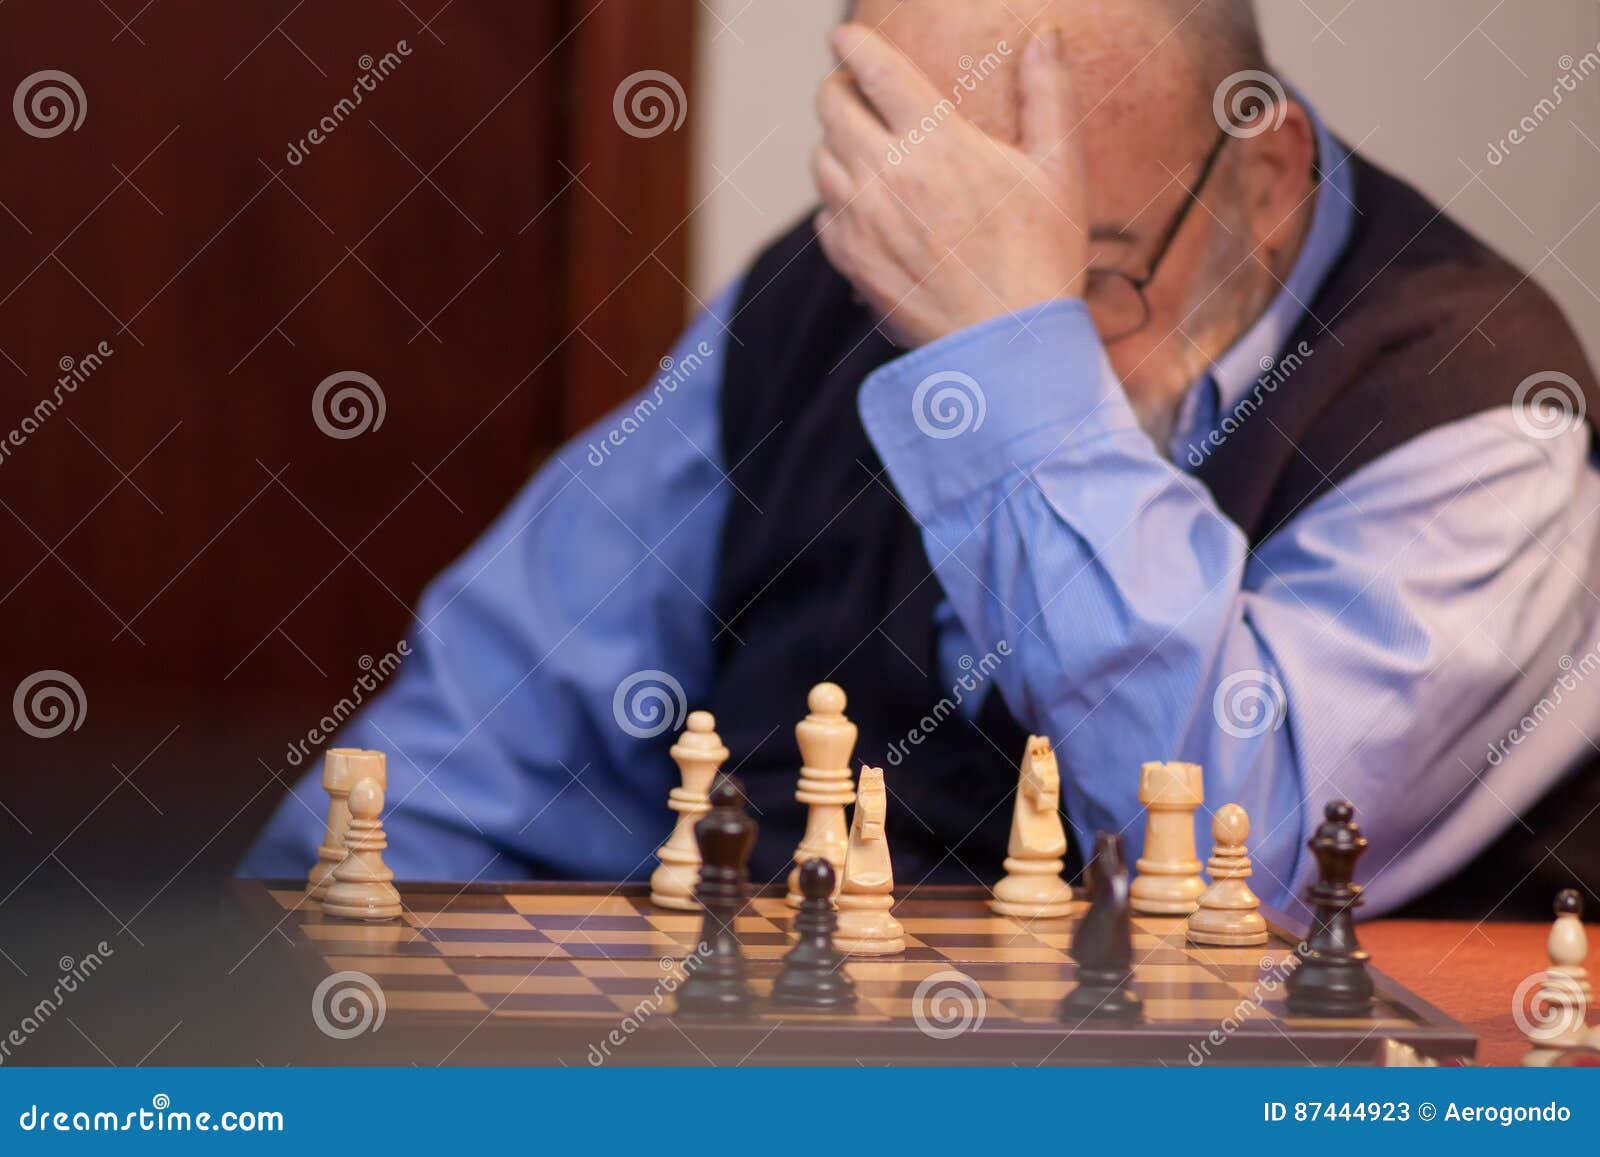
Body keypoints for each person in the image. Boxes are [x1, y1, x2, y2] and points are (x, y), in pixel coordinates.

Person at [244, 0, 1599, 917]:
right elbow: (477, 749)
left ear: (1268, 172)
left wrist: (1013, 356)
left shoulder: (1478, 413)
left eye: (1093, 274)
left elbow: (1235, 869)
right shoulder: (820, 297)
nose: (953, 317)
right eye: (934, 247)